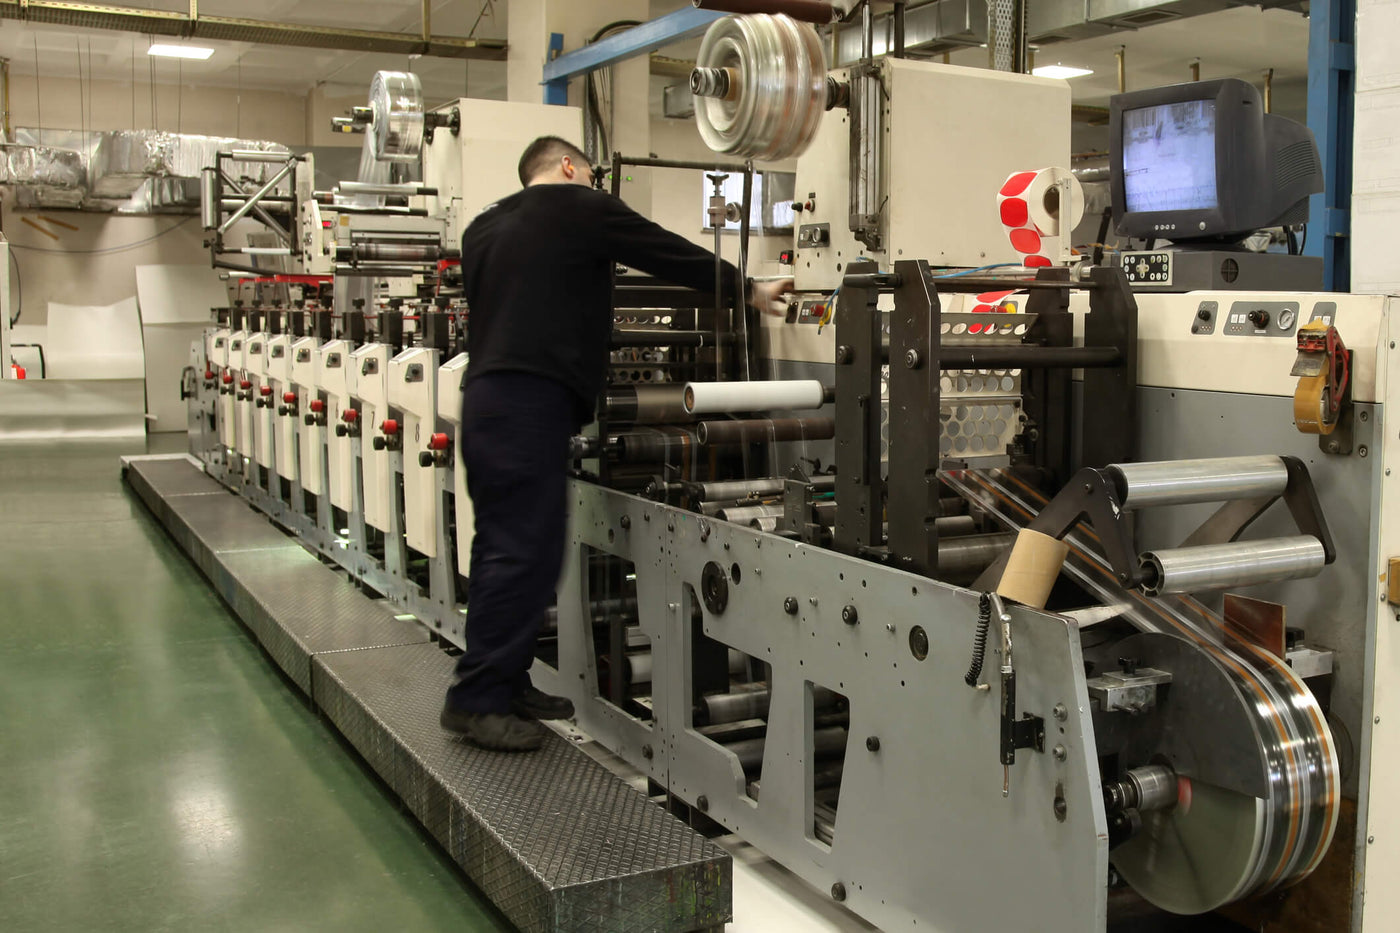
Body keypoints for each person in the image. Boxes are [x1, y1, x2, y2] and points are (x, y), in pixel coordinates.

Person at [441, 136, 793, 751]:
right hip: (531, 402)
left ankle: (506, 678)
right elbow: (668, 253)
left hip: (489, 398)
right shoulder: (580, 206)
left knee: (516, 545)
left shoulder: (482, 228)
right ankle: (475, 699)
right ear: (572, 167)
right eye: (594, 173)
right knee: (520, 551)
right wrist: (751, 289)